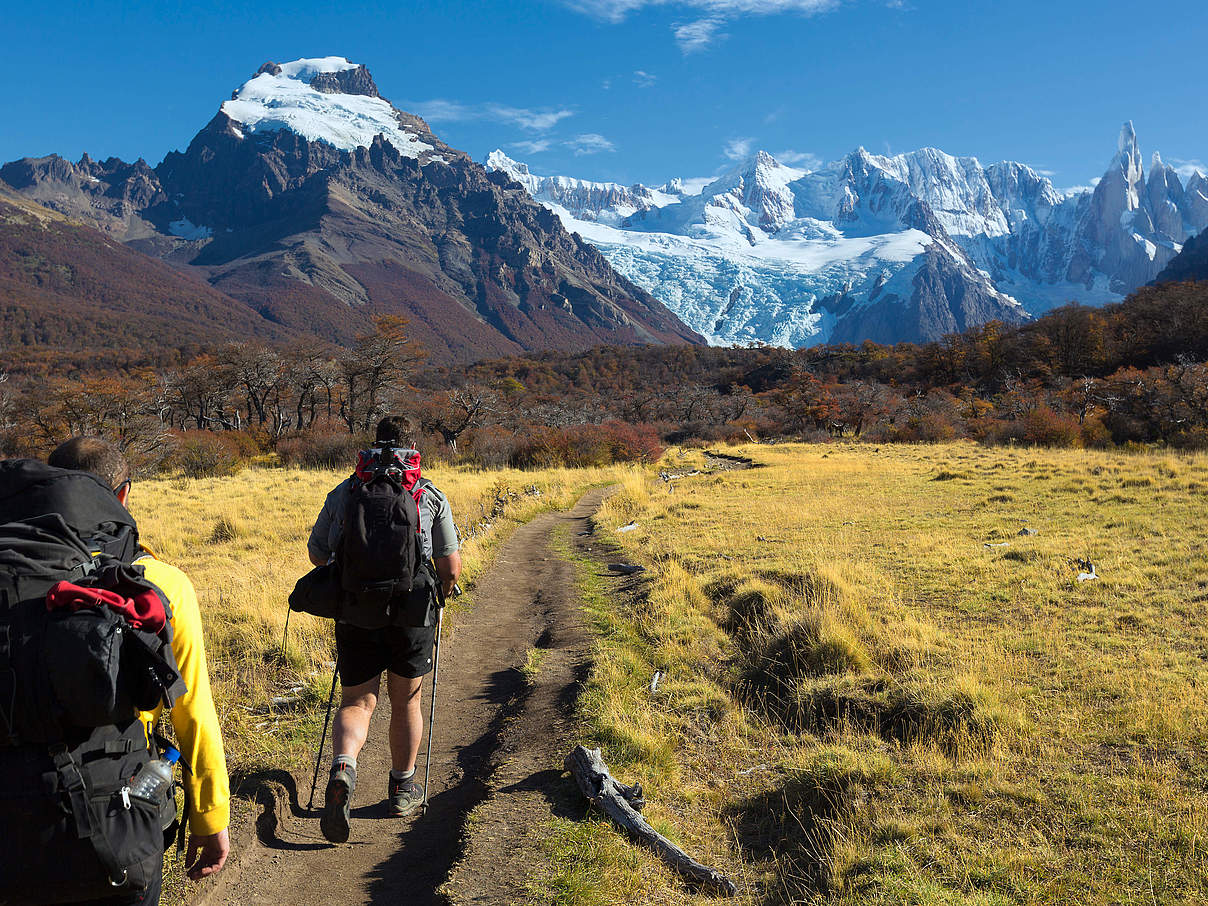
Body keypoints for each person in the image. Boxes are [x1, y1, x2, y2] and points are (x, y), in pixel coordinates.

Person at [47, 437, 231, 904]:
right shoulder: (163, 583)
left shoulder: (14, 574)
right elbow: (192, 711)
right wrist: (211, 816)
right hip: (120, 813)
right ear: (123, 494)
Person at [307, 416, 461, 842]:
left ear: (373, 444)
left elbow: (317, 555)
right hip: (412, 613)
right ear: (413, 447)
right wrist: (444, 592)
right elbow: (450, 565)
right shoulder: (426, 493)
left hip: (356, 611)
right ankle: (402, 787)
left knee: (357, 701)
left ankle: (343, 768)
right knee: (406, 701)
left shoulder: (346, 490)